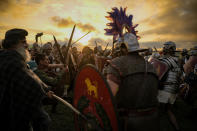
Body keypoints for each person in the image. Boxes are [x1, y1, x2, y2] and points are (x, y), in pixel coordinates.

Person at [104, 7, 159, 130]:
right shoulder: (151, 66)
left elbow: (108, 97)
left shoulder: (116, 63)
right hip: (153, 122)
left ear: (123, 48)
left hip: (128, 124)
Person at [0, 28, 53, 131]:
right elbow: (30, 85)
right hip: (12, 110)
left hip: (7, 106)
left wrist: (45, 88)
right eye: (23, 42)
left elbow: (31, 74)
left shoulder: (7, 57)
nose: (27, 45)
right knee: (43, 121)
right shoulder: (13, 62)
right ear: (13, 44)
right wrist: (44, 93)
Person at [157, 41, 181, 131]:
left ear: (170, 49)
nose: (163, 49)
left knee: (157, 111)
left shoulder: (168, 60)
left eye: (165, 47)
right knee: (168, 111)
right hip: (174, 90)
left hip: (165, 90)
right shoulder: (177, 60)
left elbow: (157, 70)